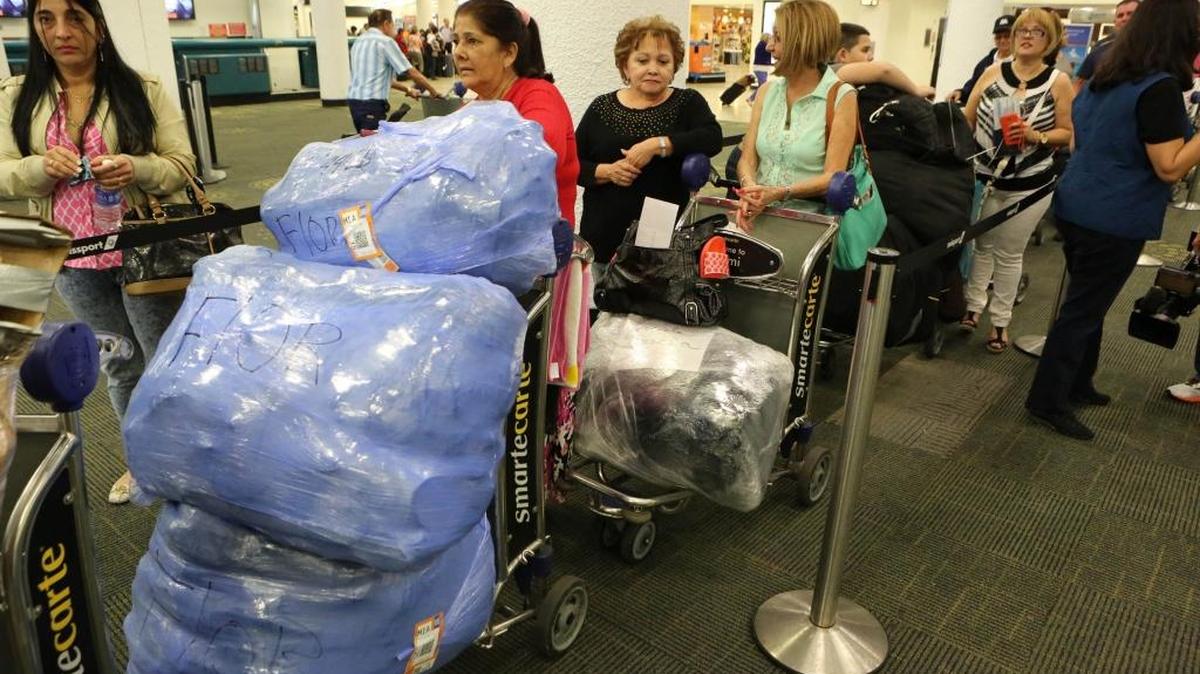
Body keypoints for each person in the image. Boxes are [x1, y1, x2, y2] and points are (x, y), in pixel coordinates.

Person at [0, 0, 196, 503]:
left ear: (98, 25)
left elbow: (181, 164)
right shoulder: (16, 97)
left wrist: (138, 167)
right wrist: (37, 169)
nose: (61, 31)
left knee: (166, 358)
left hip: (141, 250)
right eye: (46, 19)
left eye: (75, 18)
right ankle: (140, 462)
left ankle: (185, 462)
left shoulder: (142, 89)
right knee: (119, 362)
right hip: (72, 257)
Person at [1026, 0, 1200, 438]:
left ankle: (1079, 382)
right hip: (1113, 215)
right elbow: (1170, 166)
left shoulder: (1108, 74)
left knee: (1089, 303)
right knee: (1083, 309)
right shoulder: (1157, 88)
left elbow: (1084, 134)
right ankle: (1047, 401)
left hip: (1079, 203)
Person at [960, 9, 1073, 354]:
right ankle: (972, 307)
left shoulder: (1058, 81)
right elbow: (966, 116)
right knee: (981, 246)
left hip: (1030, 183)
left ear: (1049, 41)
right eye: (1022, 29)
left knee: (1009, 252)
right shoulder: (993, 72)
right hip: (985, 177)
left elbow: (1067, 134)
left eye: (1037, 32)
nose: (1026, 36)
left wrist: (1035, 135)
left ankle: (1000, 321)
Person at [575, 15, 723, 265]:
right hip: (602, 233)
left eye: (663, 61)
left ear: (674, 66)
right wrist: (608, 172)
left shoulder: (687, 103)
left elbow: (712, 138)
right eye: (642, 60)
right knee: (600, 301)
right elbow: (573, 165)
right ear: (625, 66)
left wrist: (658, 145)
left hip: (662, 239)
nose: (653, 69)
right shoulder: (601, 107)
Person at [735, 0, 857, 230]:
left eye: (778, 38)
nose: (769, 46)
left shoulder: (841, 96)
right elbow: (748, 158)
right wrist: (749, 188)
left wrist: (779, 193)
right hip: (754, 218)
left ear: (804, 42)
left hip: (807, 226)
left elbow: (833, 175)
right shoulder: (766, 91)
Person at [454, 0, 578, 224]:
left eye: (471, 41)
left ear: (509, 53)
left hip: (536, 251)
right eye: (456, 41)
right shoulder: (472, 107)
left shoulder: (540, 95)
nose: (459, 52)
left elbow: (534, 158)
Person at [347, 9, 440, 134]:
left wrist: (408, 90)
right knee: (373, 144)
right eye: (393, 25)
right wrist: (433, 91)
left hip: (354, 102)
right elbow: (411, 72)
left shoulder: (358, 42)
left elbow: (384, 80)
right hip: (371, 104)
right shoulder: (385, 42)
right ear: (386, 24)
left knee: (366, 139)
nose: (394, 29)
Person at [833, 22, 936, 99]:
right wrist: (916, 90)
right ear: (843, 55)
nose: (871, 57)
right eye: (865, 50)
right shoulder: (833, 72)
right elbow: (884, 70)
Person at [1075, 0, 1139, 92]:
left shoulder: (1155, 48)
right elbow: (1080, 83)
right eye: (1120, 16)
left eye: (1130, 14)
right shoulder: (1100, 49)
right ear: (1115, 22)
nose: (1124, 18)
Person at [947, 14, 1014, 104]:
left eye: (1007, 36)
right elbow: (974, 83)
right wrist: (960, 92)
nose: (1002, 40)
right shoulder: (986, 62)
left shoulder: (1021, 63)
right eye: (998, 37)